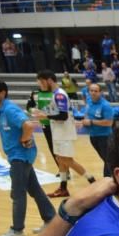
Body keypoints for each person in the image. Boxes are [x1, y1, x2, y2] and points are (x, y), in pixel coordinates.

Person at [0, 79, 57, 236]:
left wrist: (24, 139)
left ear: (2, 93)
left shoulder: (9, 109)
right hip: (19, 156)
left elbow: (28, 125)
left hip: (20, 157)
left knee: (17, 193)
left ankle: (17, 230)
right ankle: (51, 219)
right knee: (35, 189)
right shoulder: (3, 109)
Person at [32, 70, 94, 198]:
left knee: (67, 160)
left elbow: (63, 116)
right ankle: (63, 188)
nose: (41, 86)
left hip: (64, 132)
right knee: (60, 159)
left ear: (49, 80)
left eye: (42, 82)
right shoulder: (53, 94)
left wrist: (46, 115)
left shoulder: (59, 95)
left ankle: (92, 181)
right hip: (58, 131)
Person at [80, 82, 114, 177]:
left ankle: (108, 179)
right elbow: (87, 113)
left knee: (108, 160)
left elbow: (109, 122)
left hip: (104, 137)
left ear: (100, 92)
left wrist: (91, 122)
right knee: (106, 159)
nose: (93, 93)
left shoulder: (105, 105)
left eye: (96, 91)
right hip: (93, 137)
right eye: (91, 91)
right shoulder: (89, 101)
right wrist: (84, 121)